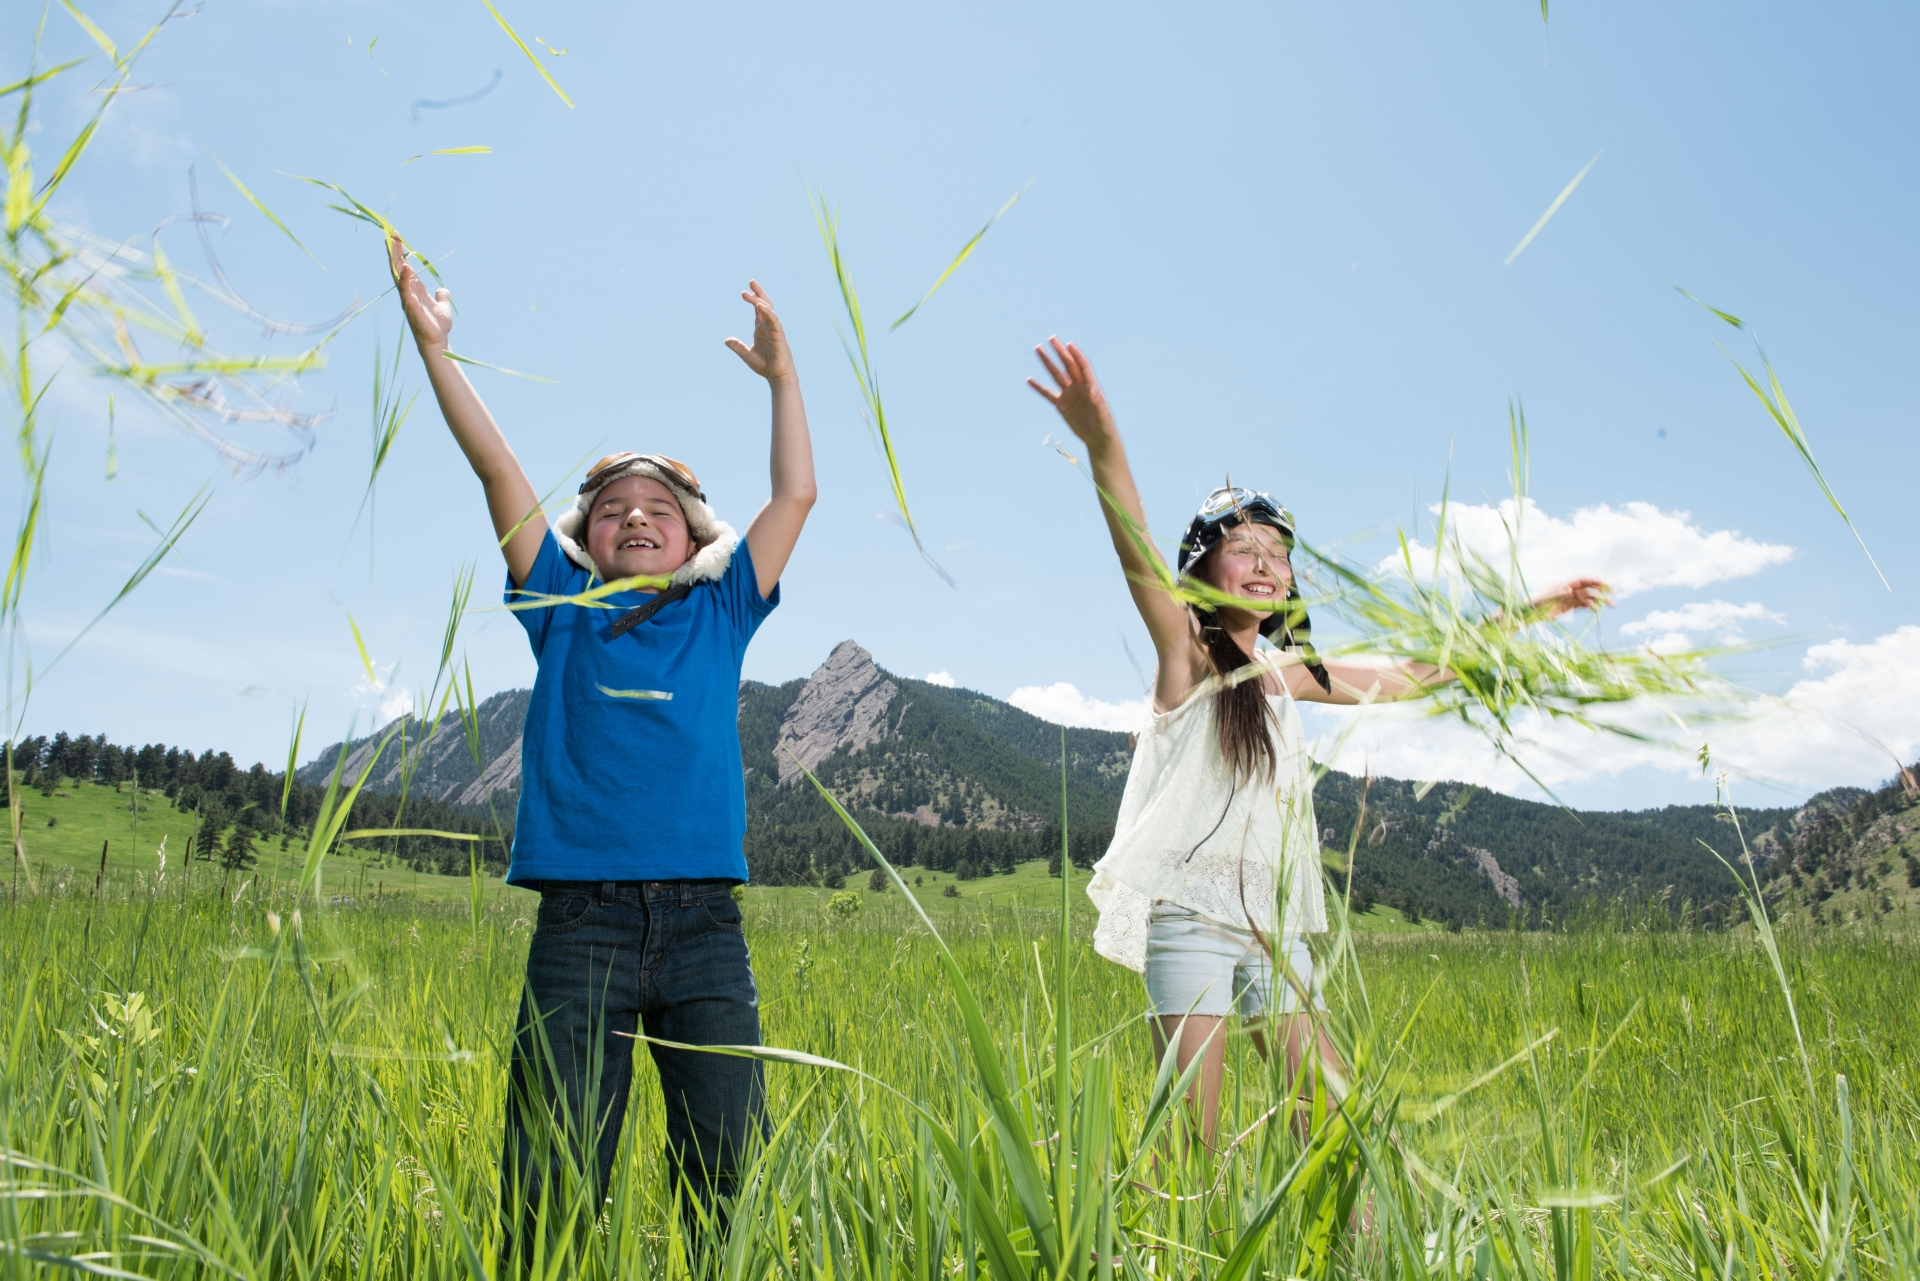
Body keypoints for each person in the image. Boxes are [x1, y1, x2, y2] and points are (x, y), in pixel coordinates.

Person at [1027, 337, 1603, 1146]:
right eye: (1244, 550)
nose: (1266, 565)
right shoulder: (1188, 656)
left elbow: (1414, 672)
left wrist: (1529, 613)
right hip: (1190, 917)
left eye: (1279, 556)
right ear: (1205, 566)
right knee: (1197, 1141)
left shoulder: (1286, 675)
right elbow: (1136, 547)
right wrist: (1102, 441)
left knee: (1329, 1127)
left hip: (1275, 923)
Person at [387, 235, 816, 1257]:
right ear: (585, 537)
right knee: (552, 1171)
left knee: (727, 1176)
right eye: (614, 509)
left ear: (694, 537)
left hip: (707, 927)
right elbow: (497, 464)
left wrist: (783, 377)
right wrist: (435, 346)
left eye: (658, 511)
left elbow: (795, 496)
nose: (635, 517)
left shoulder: (724, 609)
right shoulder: (560, 602)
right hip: (579, 929)